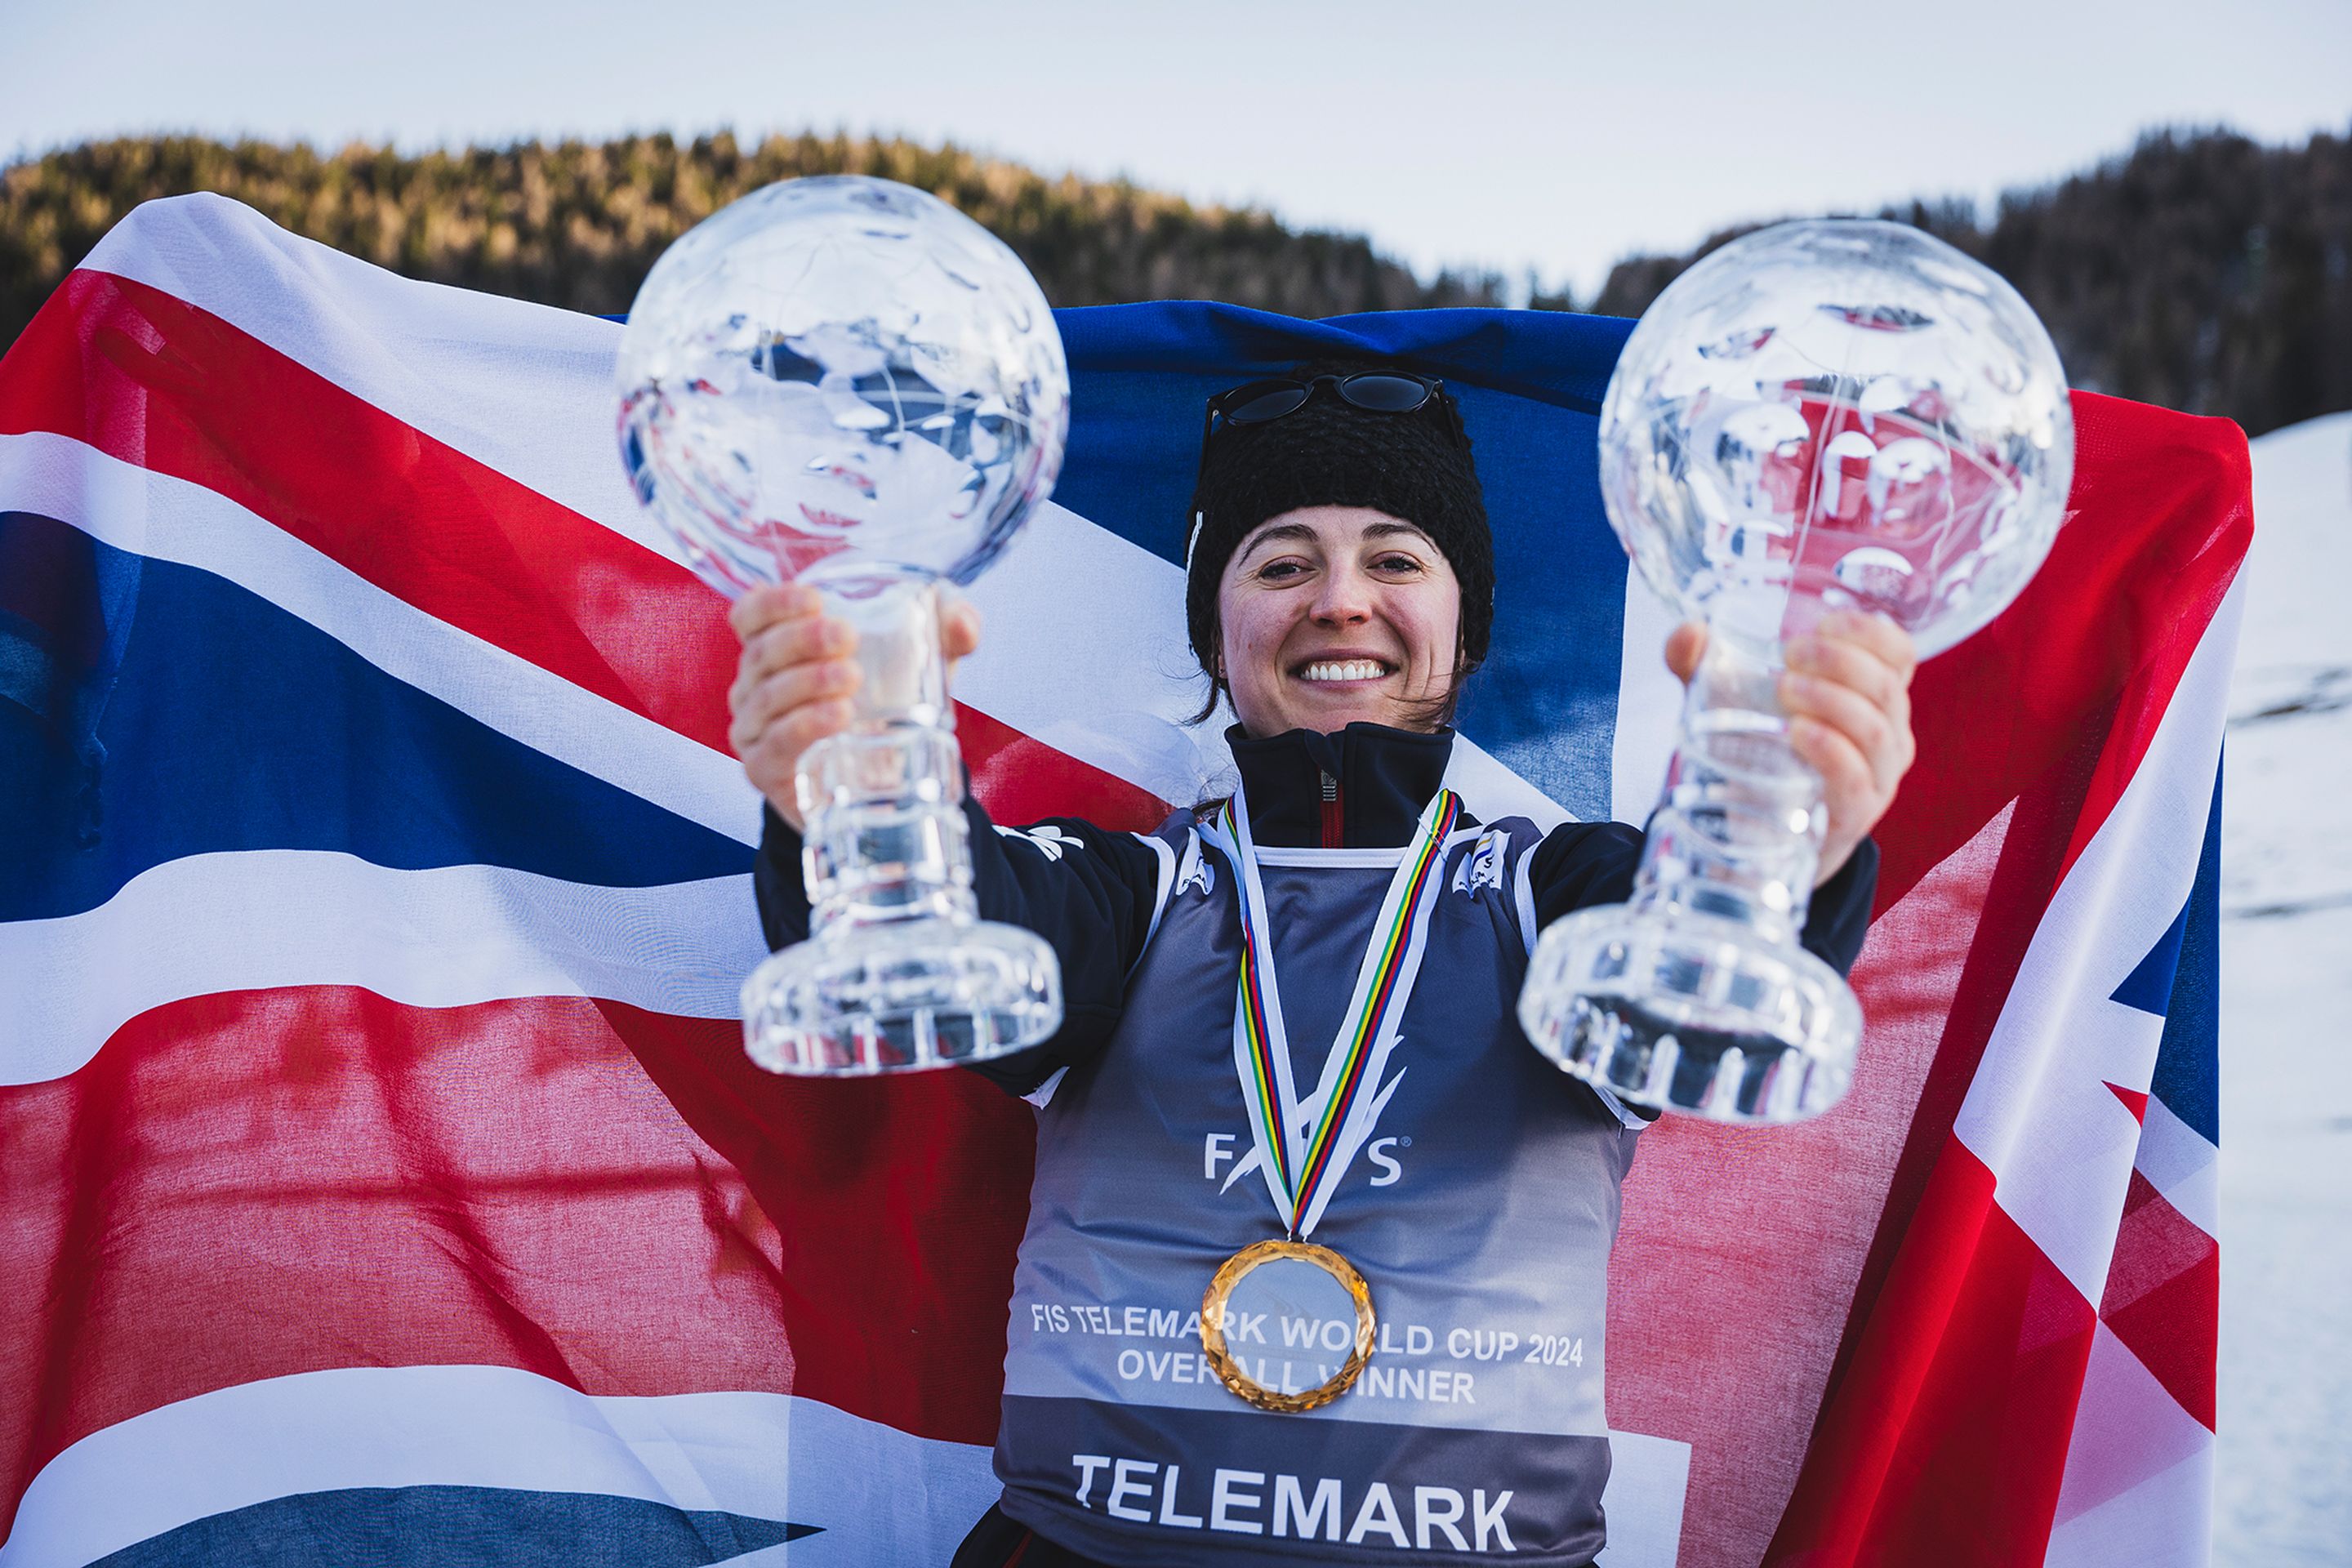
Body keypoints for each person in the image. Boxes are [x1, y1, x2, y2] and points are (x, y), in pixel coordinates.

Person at [728, 366, 1917, 1566]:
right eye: (1284, 562)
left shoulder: (1548, 896)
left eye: (1396, 561)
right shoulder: (1136, 892)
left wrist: (1791, 831)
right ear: (1219, 625)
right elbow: (933, 938)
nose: (1341, 600)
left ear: (1465, 624)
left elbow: (1710, 970)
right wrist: (850, 779)